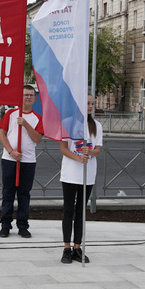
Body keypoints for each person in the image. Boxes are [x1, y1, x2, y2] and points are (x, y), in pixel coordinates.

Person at [59, 95, 103, 264]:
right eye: (87, 103)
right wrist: (78, 158)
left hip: (87, 175)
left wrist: (89, 152)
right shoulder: (68, 123)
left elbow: (97, 150)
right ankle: (66, 248)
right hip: (70, 174)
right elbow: (63, 148)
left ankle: (78, 247)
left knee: (81, 212)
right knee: (68, 210)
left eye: (92, 103)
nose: (90, 106)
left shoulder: (96, 126)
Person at [0, 84, 44, 238]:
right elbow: (2, 134)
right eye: (25, 95)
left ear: (35, 98)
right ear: (20, 97)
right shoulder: (11, 114)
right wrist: (11, 152)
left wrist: (25, 124)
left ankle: (23, 225)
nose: (28, 97)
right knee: (8, 192)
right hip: (10, 159)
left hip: (28, 161)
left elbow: (37, 138)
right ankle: (5, 224)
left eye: (31, 95)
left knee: (24, 194)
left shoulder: (37, 118)